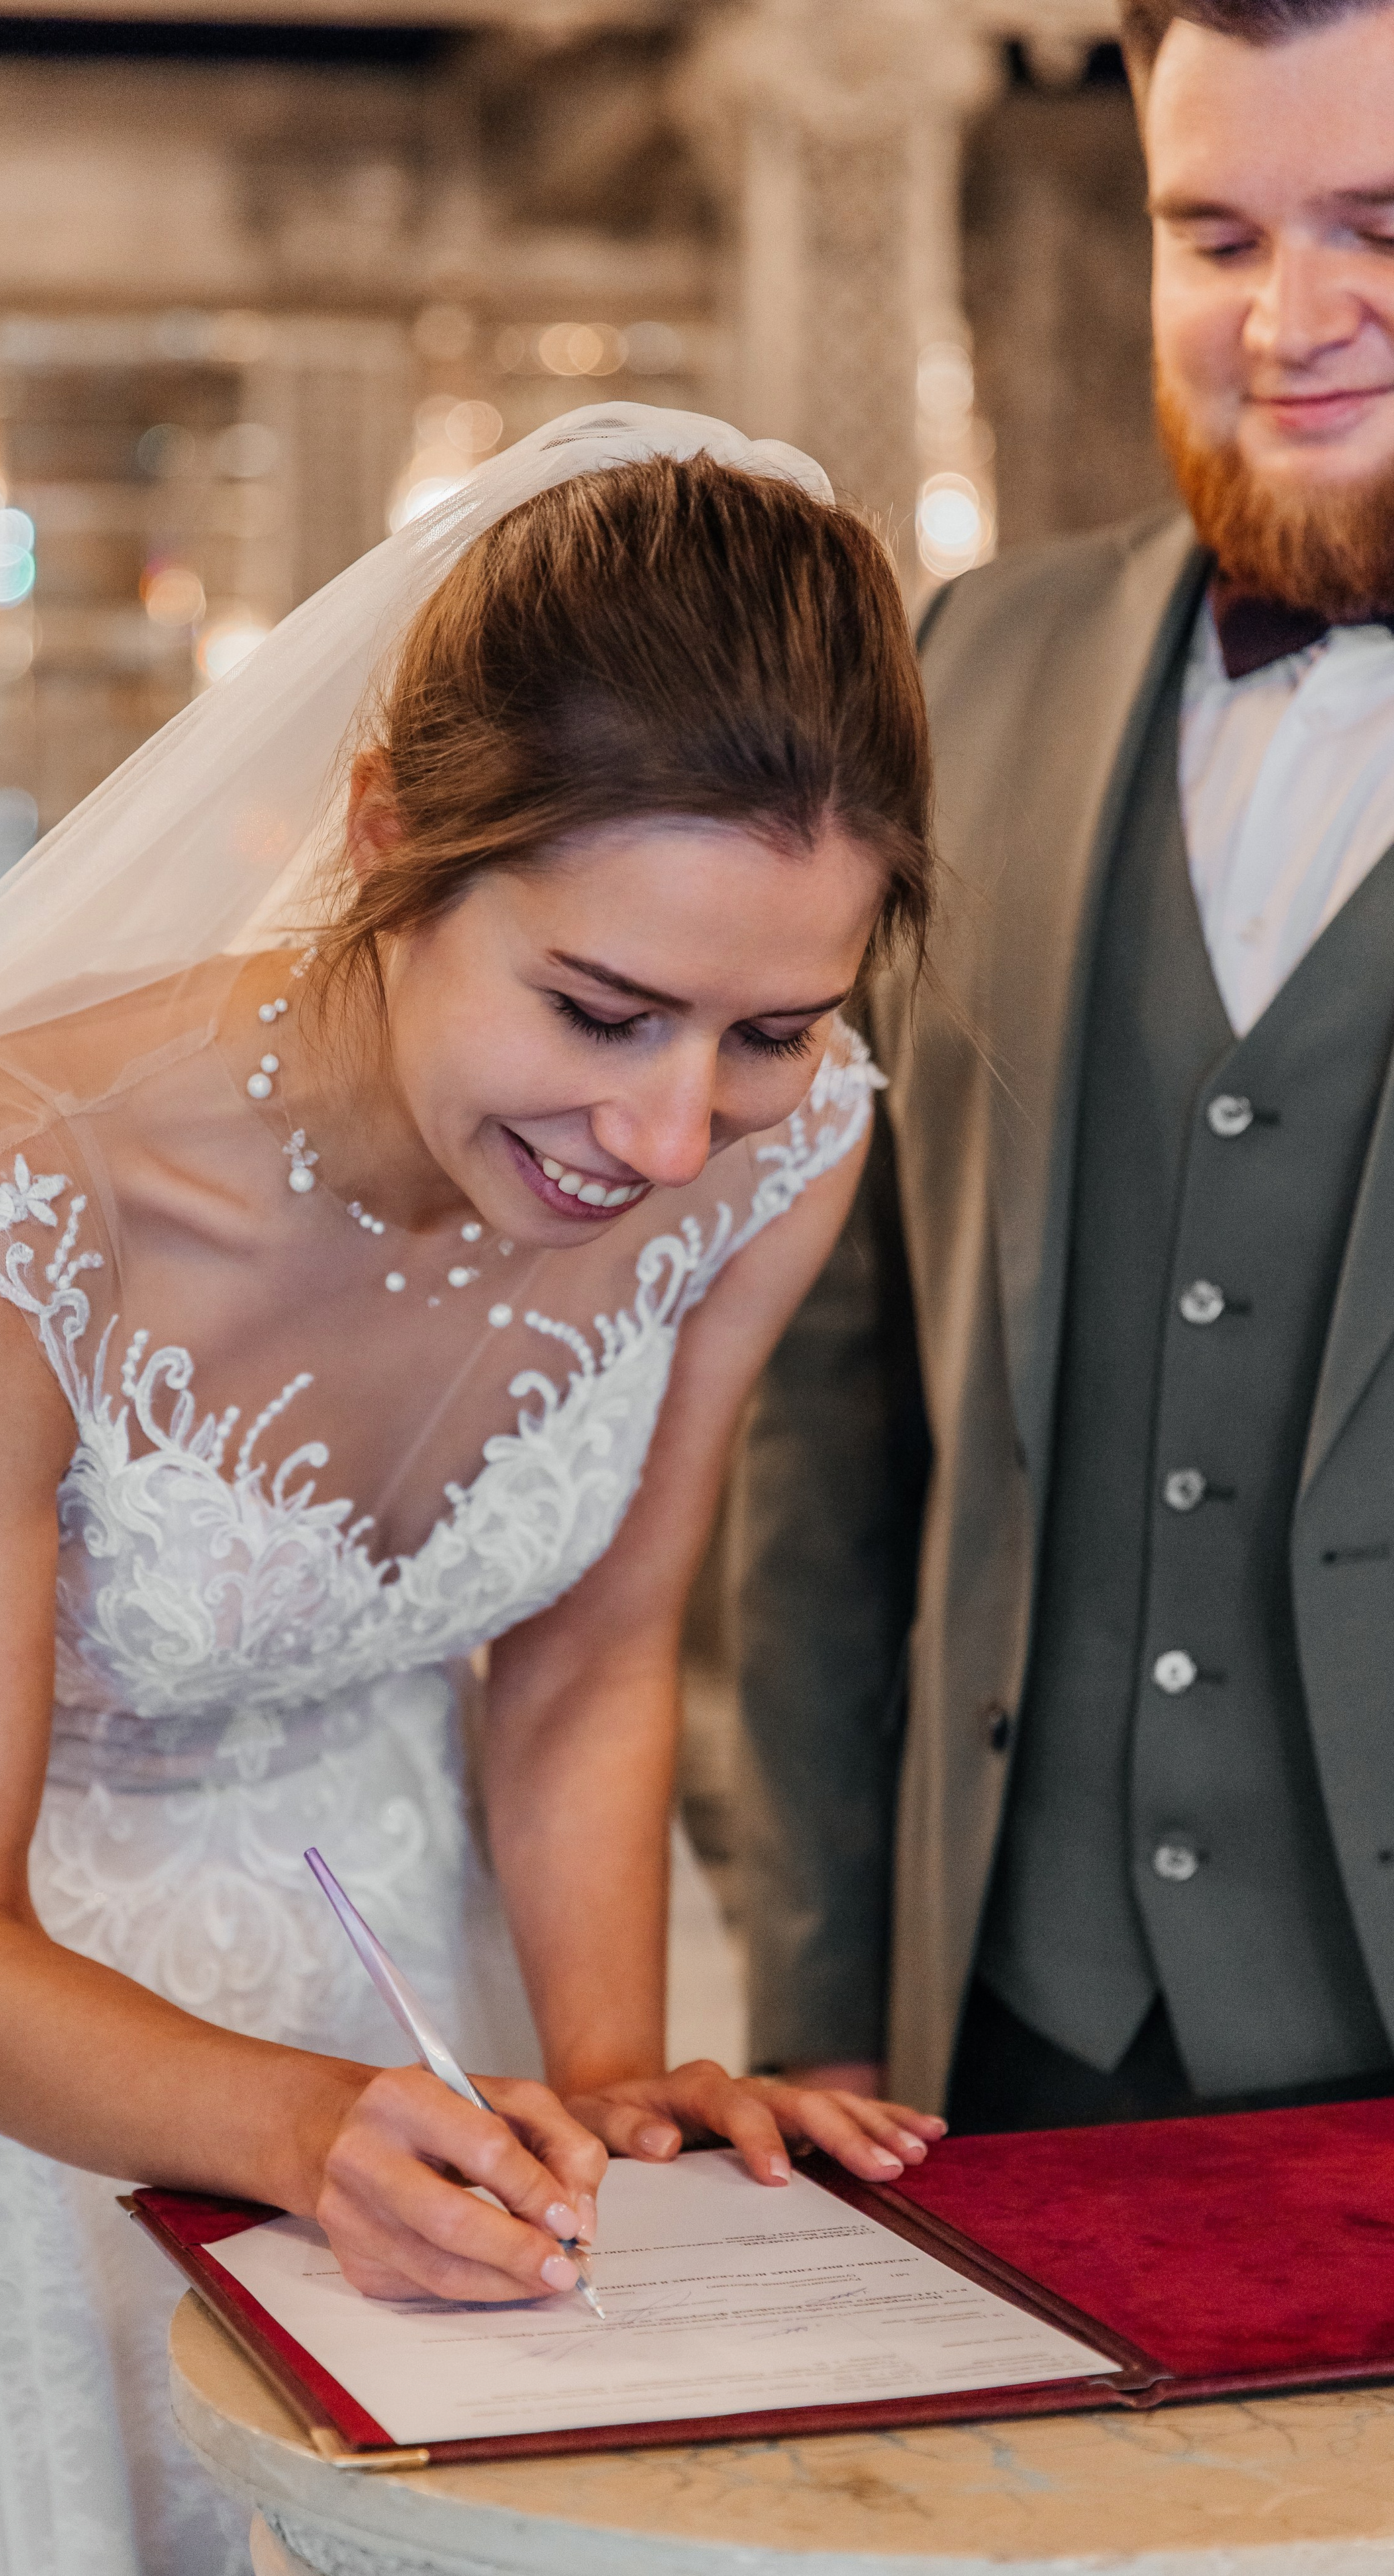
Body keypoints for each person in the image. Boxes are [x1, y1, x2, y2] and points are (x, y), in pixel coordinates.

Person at [0, 407, 945, 2575]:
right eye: (603, 1006)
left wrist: (614, 2083)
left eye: (770, 1029)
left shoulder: (782, 1161)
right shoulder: (0, 1208)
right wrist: (303, 2127)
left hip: (394, 1949)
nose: (668, 1137)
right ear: (384, 840)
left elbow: (588, 1660)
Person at [737, 0, 1394, 2136]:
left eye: (1382, 226)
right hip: (1002, 2051)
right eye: (1215, 235)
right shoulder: (964, 670)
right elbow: (831, 1432)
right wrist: (818, 2008)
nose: (1291, 319)